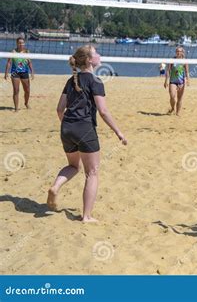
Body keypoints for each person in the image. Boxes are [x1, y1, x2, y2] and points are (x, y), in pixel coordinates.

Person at [47, 45, 127, 222]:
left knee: (74, 166)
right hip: (84, 129)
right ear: (90, 60)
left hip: (67, 127)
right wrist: (119, 132)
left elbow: (60, 109)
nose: (99, 54)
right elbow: (103, 111)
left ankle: (55, 187)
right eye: (96, 52)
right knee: (92, 172)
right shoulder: (95, 81)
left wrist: (68, 125)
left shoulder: (71, 80)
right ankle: (87, 216)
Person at [4, 37, 34, 111]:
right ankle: (16, 108)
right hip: (15, 73)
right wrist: (6, 73)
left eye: (22, 43)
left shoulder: (26, 52)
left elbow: (29, 62)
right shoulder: (13, 52)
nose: (21, 44)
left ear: (24, 43)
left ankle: (26, 103)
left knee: (27, 90)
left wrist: (32, 72)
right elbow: (9, 63)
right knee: (16, 90)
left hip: (24, 72)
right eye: (19, 43)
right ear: (17, 43)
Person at [164, 46, 190, 116]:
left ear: (182, 52)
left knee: (180, 98)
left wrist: (188, 80)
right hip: (173, 81)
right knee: (172, 96)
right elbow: (168, 71)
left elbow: (187, 72)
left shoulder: (184, 61)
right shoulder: (172, 60)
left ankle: (177, 113)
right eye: (177, 51)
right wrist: (166, 80)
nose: (178, 52)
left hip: (181, 82)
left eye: (180, 51)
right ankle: (172, 108)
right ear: (176, 52)